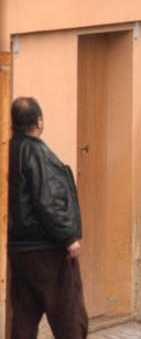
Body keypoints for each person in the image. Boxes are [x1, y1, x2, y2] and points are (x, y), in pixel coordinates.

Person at [8, 97, 88, 339]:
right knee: (70, 320)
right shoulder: (39, 154)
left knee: (23, 320)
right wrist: (69, 237)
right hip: (48, 251)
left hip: (19, 251)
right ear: (38, 122)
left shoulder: (7, 151)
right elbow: (47, 201)